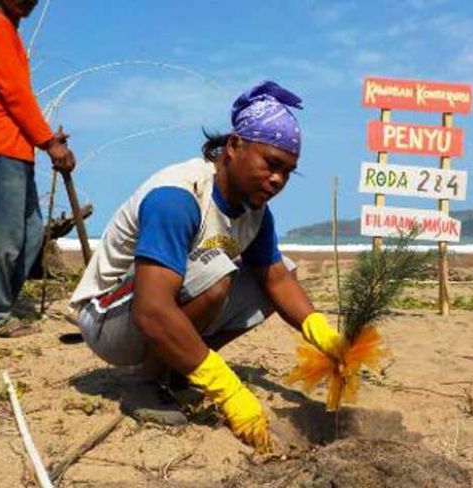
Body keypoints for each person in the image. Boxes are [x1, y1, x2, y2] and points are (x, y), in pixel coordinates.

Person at [69, 81, 344, 451]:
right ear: (234, 146)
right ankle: (146, 384)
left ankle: (179, 365)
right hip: (107, 319)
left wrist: (323, 334)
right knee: (216, 273)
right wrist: (227, 389)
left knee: (273, 276)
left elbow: (277, 280)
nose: (278, 179)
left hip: (147, 310)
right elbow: (151, 310)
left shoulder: (255, 212)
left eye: (288, 172)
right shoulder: (179, 196)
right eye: (272, 164)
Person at [0, 0, 76, 337]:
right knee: (4, 235)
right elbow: (15, 94)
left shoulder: (5, 30)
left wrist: (46, 138)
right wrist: (50, 143)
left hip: (13, 145)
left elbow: (14, 96)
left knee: (31, 231)